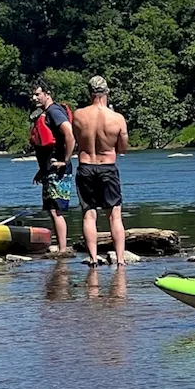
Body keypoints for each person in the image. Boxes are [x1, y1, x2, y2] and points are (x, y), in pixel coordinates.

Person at [71, 75, 129, 267]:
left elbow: (77, 141)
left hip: (86, 166)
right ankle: (120, 259)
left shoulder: (78, 115)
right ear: (107, 92)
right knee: (114, 214)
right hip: (107, 166)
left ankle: (94, 258)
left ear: (90, 93)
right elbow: (122, 148)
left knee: (89, 214)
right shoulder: (117, 118)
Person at [30, 82, 74, 253]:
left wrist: (65, 160)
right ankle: (61, 247)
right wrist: (42, 170)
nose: (34, 98)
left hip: (58, 171)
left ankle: (63, 250)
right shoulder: (47, 113)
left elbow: (69, 133)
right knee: (52, 209)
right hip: (50, 170)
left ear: (47, 94)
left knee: (56, 210)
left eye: (37, 94)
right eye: (33, 95)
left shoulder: (54, 112)